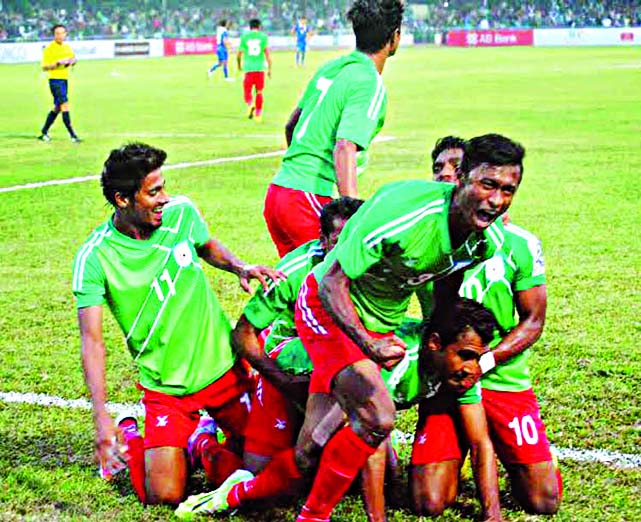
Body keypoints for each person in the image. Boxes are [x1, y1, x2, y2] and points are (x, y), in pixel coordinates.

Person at [71, 142, 284, 505]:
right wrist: (101, 418)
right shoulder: (95, 257)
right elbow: (92, 341)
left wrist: (239, 267)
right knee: (164, 494)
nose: (165, 198)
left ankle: (201, 441)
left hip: (223, 372)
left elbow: (206, 245)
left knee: (268, 468)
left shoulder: (181, 214)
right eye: (154, 192)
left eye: (164, 187)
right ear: (123, 199)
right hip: (166, 388)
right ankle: (132, 434)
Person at [175, 298, 503, 521]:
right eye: (467, 356)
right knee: (293, 472)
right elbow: (369, 438)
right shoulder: (396, 361)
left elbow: (480, 441)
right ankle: (205, 448)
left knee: (382, 475)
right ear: (434, 344)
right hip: (289, 378)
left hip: (340, 389)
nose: (474, 368)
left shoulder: (458, 366)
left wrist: (493, 514)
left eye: (478, 356)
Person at [411, 137, 562, 516]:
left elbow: (533, 320)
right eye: (438, 170)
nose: (445, 177)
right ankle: (463, 443)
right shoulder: (421, 240)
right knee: (429, 502)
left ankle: (508, 448)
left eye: (453, 169)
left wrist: (485, 362)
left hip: (501, 381)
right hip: (446, 381)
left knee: (543, 500)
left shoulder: (520, 244)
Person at [263, 0, 404, 257]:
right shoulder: (369, 82)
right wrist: (351, 216)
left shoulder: (331, 68)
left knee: (300, 286)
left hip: (278, 193)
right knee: (337, 282)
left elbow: (291, 125)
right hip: (308, 197)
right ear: (395, 36)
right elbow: (345, 146)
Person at [38, 24, 81, 143]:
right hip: (55, 81)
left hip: (64, 80)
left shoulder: (67, 47)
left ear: (66, 34)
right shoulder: (49, 48)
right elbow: (44, 67)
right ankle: (73, 135)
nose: (60, 35)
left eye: (62, 33)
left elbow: (74, 59)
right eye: (57, 33)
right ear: (54, 35)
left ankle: (44, 132)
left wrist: (72, 61)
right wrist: (57, 63)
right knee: (65, 105)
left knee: (57, 107)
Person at [237, 19, 272, 123]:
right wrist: (269, 69)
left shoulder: (244, 37)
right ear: (259, 26)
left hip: (248, 69)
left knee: (247, 91)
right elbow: (267, 54)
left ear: (250, 26)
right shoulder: (263, 37)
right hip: (260, 68)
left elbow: (239, 54)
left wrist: (239, 65)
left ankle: (250, 104)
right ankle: (258, 114)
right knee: (259, 92)